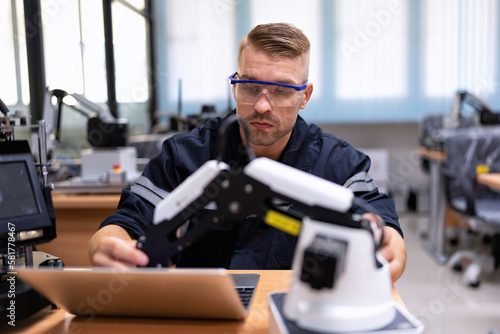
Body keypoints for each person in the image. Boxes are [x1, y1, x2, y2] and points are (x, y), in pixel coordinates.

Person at [89, 23, 407, 284]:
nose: (262, 105)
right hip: (203, 314)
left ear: (305, 96)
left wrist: (391, 240)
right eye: (251, 87)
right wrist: (108, 243)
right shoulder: (186, 153)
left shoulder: (337, 161)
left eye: (282, 90)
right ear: (235, 86)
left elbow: (378, 215)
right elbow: (131, 219)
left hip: (298, 310)